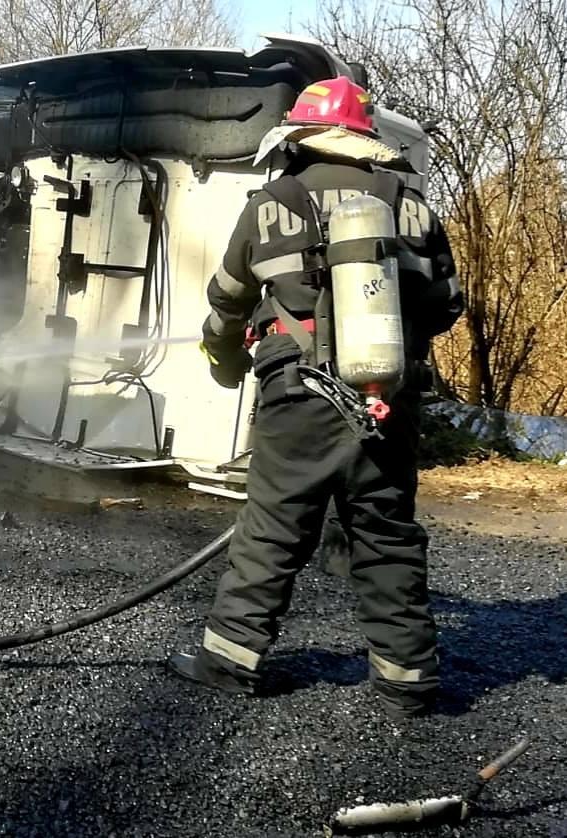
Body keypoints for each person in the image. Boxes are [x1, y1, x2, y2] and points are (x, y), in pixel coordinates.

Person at [168, 77, 464, 720]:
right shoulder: (412, 205)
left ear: (301, 138)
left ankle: (230, 660)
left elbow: (227, 298)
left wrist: (223, 356)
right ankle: (408, 680)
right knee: (385, 530)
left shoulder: (273, 201)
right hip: (387, 394)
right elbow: (447, 305)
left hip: (298, 390)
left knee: (274, 526)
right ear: (365, 142)